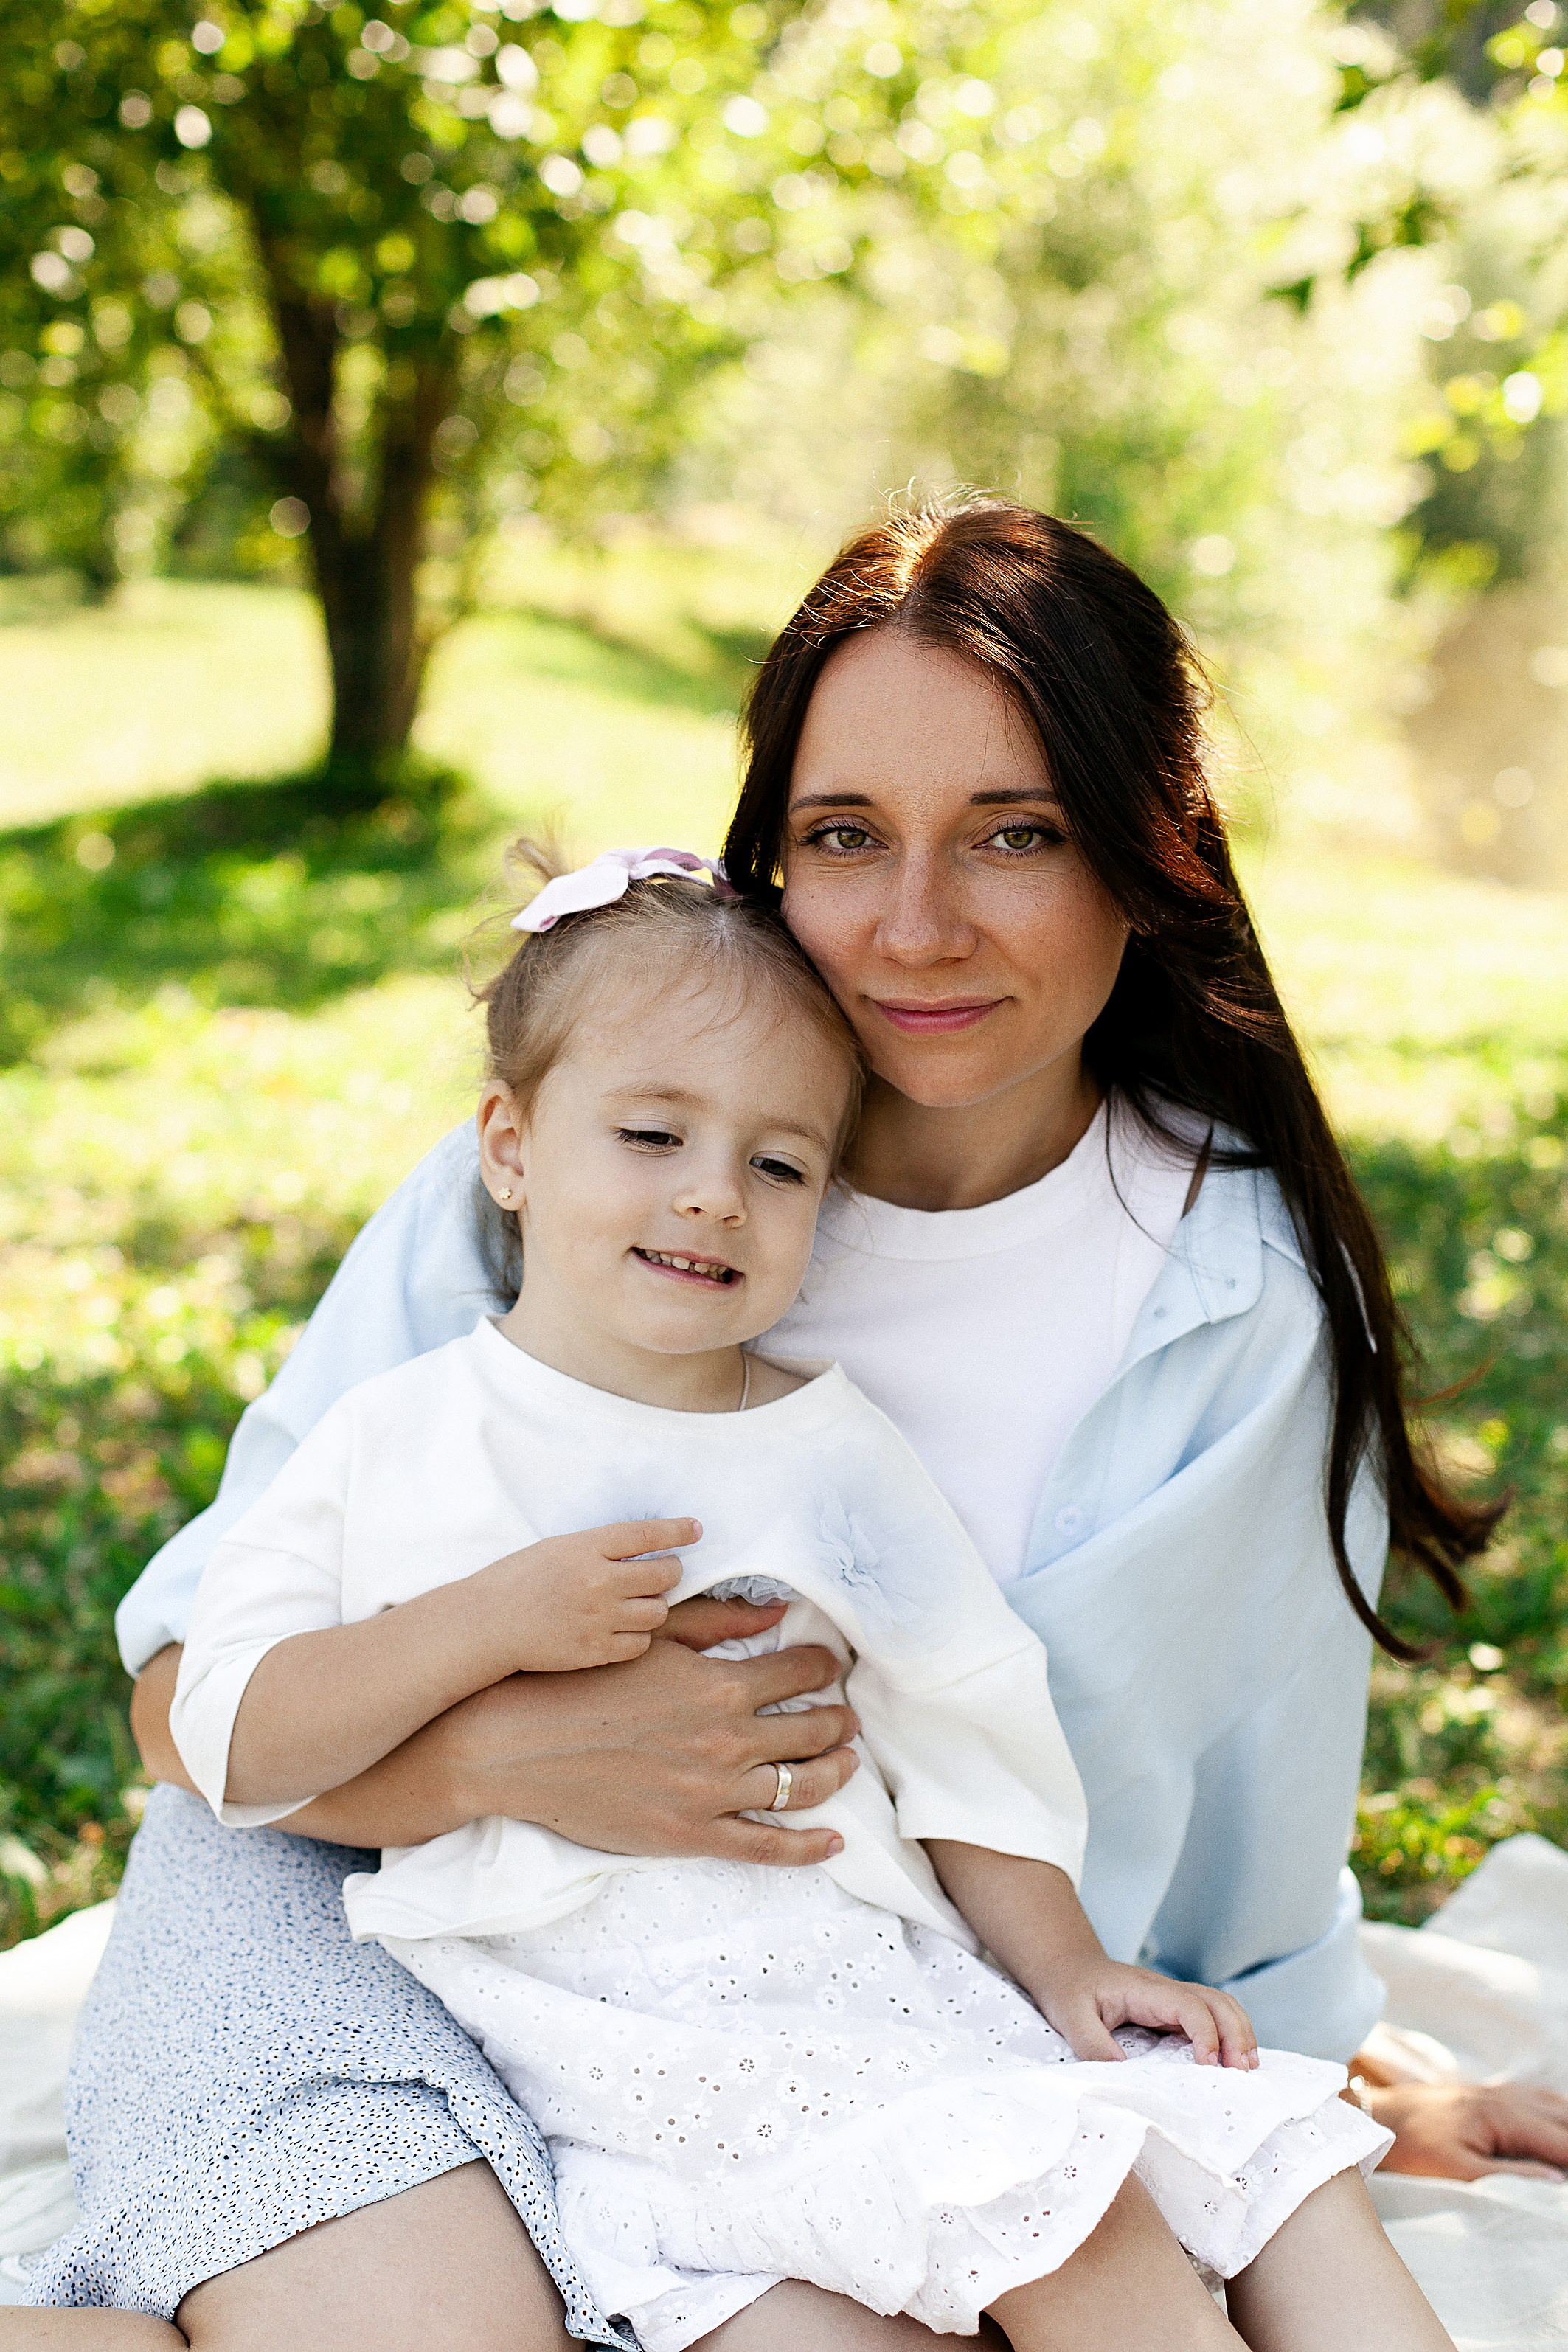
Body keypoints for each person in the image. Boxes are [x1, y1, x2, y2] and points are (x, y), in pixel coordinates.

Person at [20, 499, 1567, 2350]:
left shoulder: (1228, 1292)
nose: (916, 923)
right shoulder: (573, 1175)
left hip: (818, 2017)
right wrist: (510, 1752)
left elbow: (1238, 1817)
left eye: (1016, 833)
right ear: (772, 861)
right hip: (348, 1914)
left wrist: (1329, 2084)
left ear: (1145, 864)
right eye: (847, 836)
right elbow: (190, 1688)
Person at [164, 848, 1434, 2352]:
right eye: (649, 1133)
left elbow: (964, 1724)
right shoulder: (400, 1435)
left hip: (872, 1982)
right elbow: (224, 1728)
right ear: (506, 1143)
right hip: (622, 2035)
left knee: (1251, 2170)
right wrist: (477, 1627)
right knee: (1012, 2239)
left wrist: (1069, 1966)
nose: (712, 1193)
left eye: (779, 1166)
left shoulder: (827, 1446)